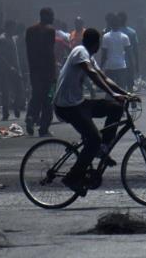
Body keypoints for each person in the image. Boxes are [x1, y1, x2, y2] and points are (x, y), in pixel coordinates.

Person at [54, 28, 132, 196]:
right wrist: (113, 94)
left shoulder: (88, 55)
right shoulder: (79, 52)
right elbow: (92, 74)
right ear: (95, 44)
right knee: (93, 139)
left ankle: (103, 147)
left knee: (115, 108)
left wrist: (124, 93)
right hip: (66, 106)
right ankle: (72, 178)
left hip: (79, 103)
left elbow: (103, 77)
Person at [25, 7, 57, 136]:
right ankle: (43, 128)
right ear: (46, 16)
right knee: (48, 99)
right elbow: (49, 52)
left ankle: (31, 116)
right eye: (51, 16)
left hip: (34, 69)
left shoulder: (30, 30)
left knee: (36, 96)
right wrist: (53, 71)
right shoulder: (50, 31)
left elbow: (28, 51)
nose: (53, 19)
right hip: (47, 70)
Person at [0, 20, 24, 121]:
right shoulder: (2, 39)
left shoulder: (13, 38)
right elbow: (1, 56)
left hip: (15, 68)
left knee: (19, 90)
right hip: (6, 69)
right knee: (6, 92)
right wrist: (9, 67)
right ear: (8, 27)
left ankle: (15, 106)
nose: (14, 29)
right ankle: (5, 113)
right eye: (12, 27)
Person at [101, 13, 132, 92]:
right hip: (121, 65)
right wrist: (131, 66)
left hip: (110, 66)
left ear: (110, 24)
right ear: (119, 25)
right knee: (121, 88)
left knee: (110, 89)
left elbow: (104, 54)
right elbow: (129, 54)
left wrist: (101, 67)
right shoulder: (125, 37)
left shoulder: (105, 36)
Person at [116, 12, 139, 91]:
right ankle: (132, 101)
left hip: (118, 64)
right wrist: (137, 64)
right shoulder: (131, 32)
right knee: (129, 85)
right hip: (128, 63)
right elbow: (135, 50)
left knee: (120, 86)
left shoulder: (113, 33)